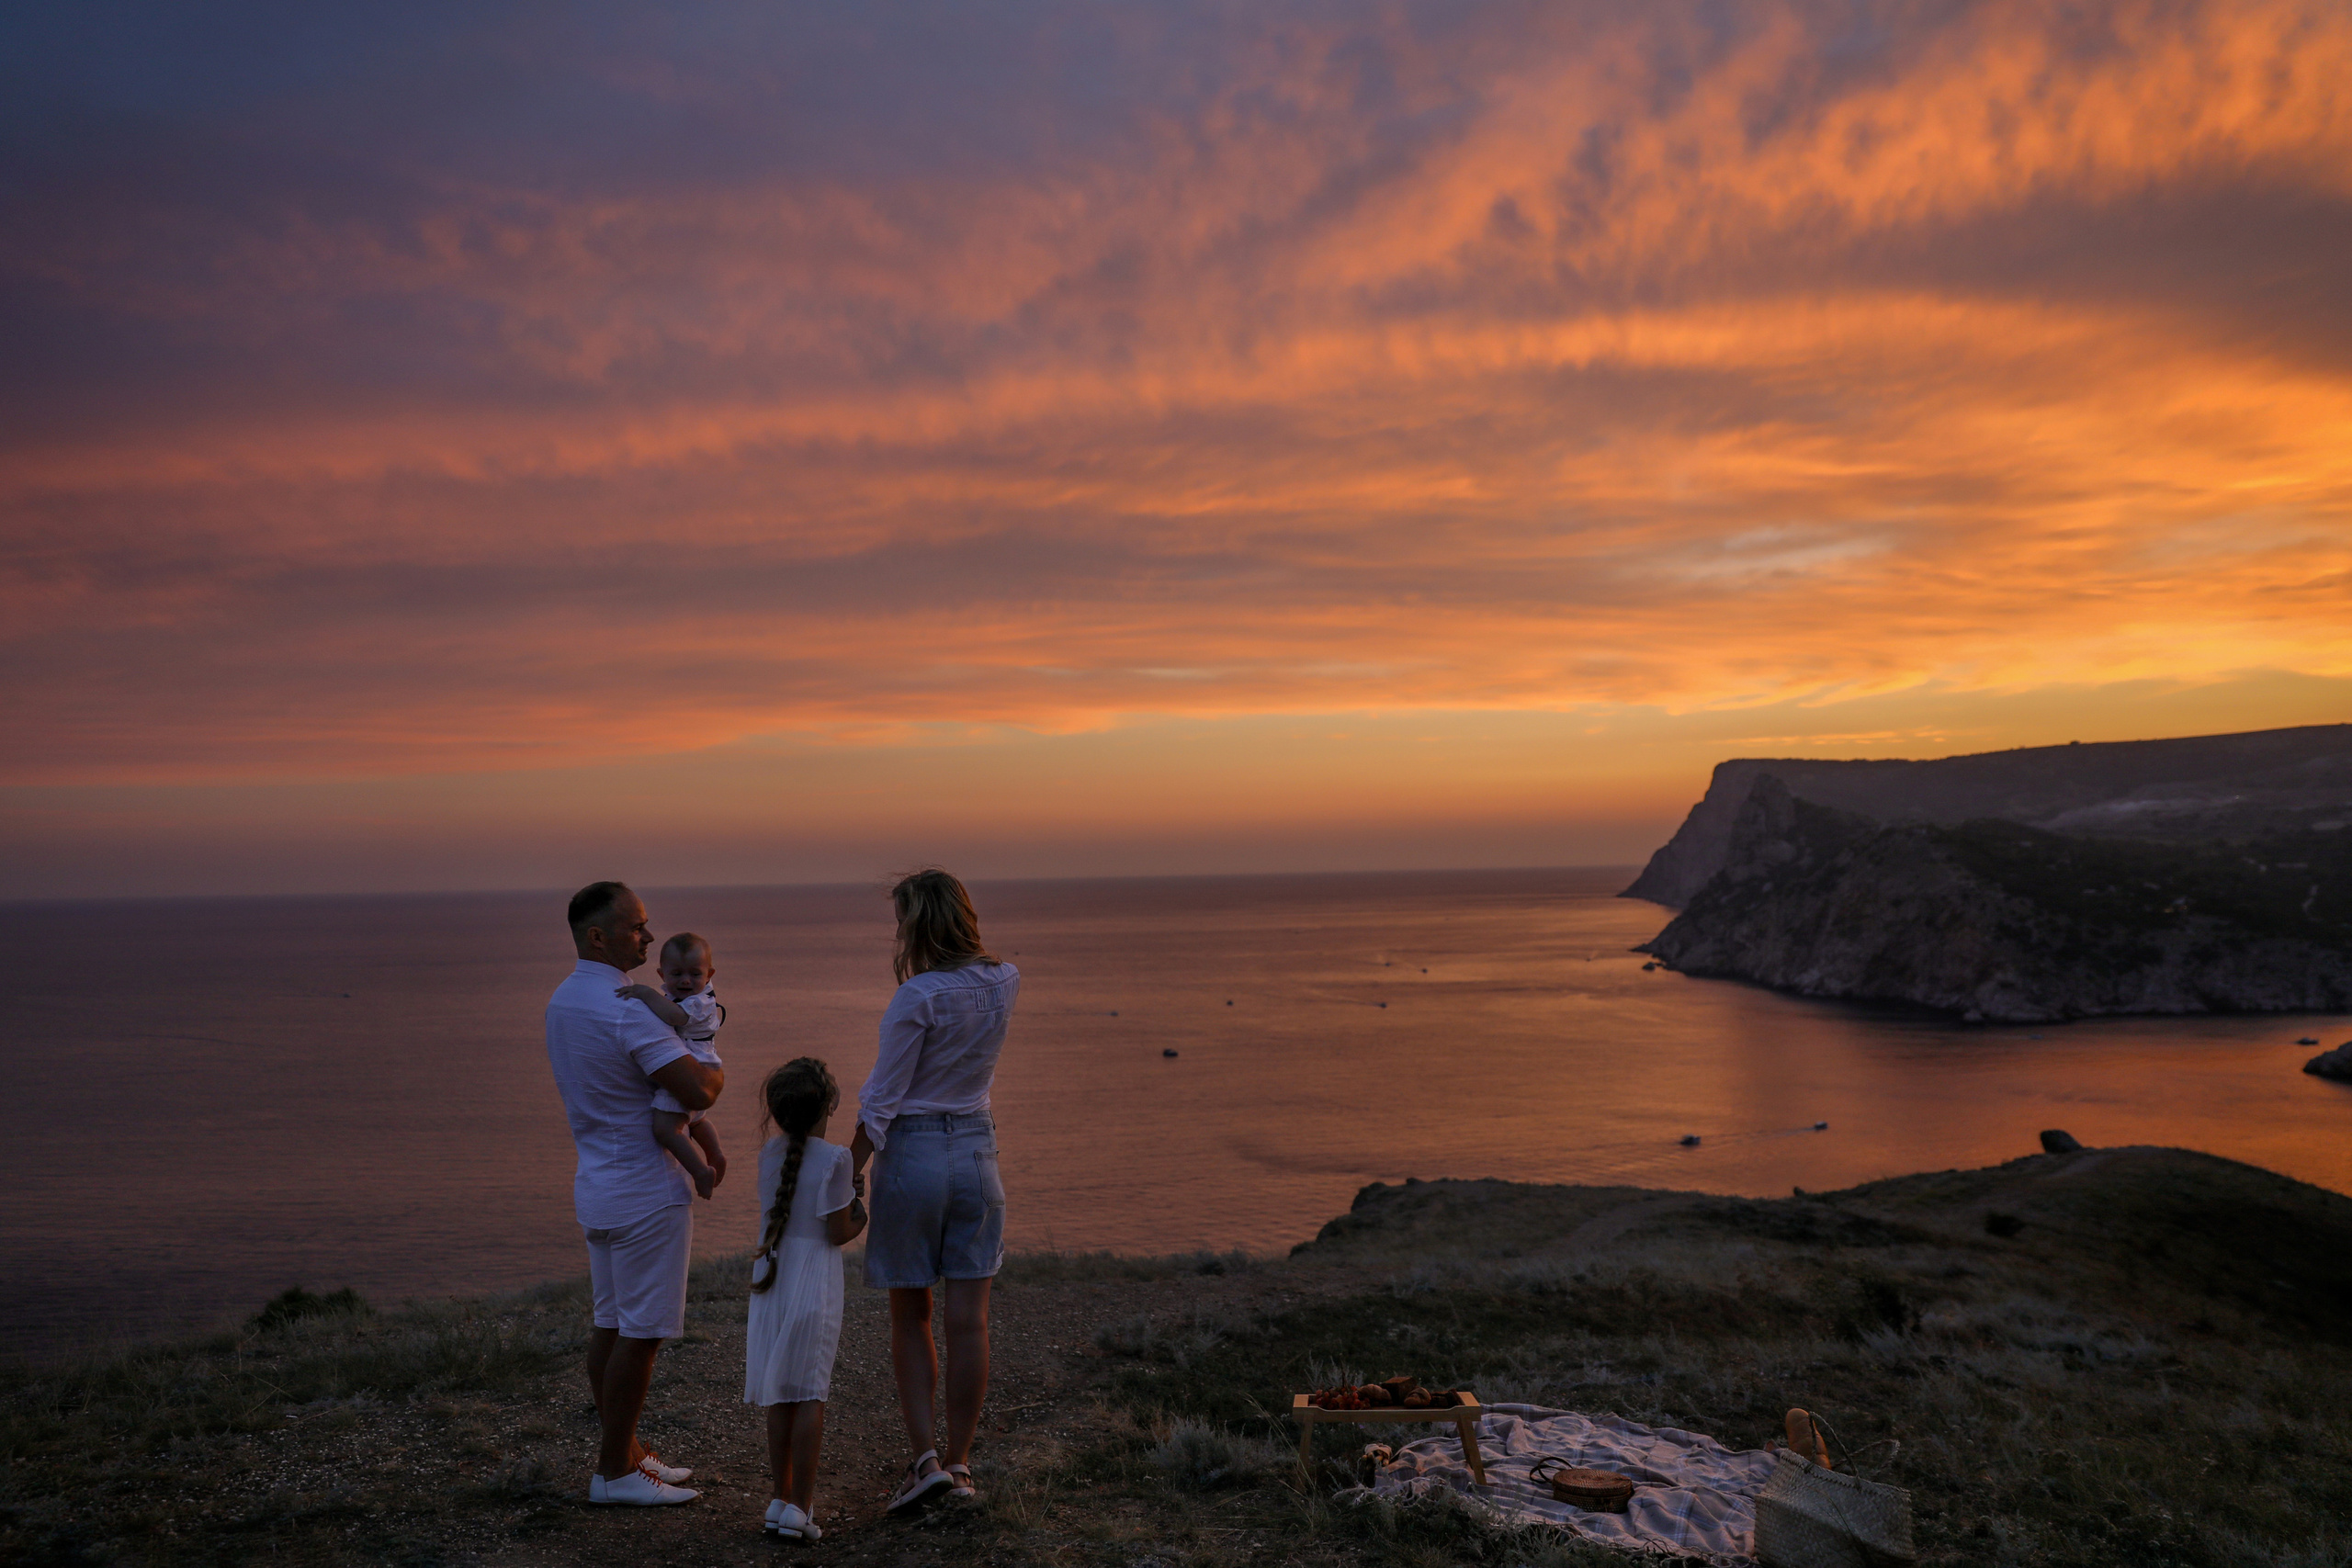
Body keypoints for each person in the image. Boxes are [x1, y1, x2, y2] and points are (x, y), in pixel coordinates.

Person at [545, 880, 724, 1506]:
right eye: (638, 928)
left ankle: (628, 1452)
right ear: (599, 936)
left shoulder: (563, 1001)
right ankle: (614, 1473)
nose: (649, 938)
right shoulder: (625, 1007)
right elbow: (698, 1089)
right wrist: (717, 1064)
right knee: (640, 1334)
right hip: (647, 1191)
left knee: (610, 1324)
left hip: (596, 1183)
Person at [851, 869, 1020, 1513]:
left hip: (915, 1153)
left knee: (911, 1313)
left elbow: (883, 1099)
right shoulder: (1005, 981)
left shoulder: (916, 995)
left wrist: (848, 1169)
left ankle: (924, 1461)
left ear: (917, 924)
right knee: (969, 1319)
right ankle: (961, 1462)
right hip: (977, 1152)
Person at [742, 1057, 868, 1540]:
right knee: (810, 1390)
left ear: (776, 1112)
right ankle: (802, 1509)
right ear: (827, 1108)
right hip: (813, 1277)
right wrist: (860, 1207)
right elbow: (838, 1232)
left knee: (781, 1391)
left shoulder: (769, 1155)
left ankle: (780, 1498)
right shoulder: (837, 1158)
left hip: (773, 1276)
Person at [617, 931, 729, 1199]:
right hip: (701, 1063)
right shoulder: (688, 996)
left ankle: (701, 1171)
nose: (686, 980)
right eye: (677, 974)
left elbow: (674, 1017)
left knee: (666, 1129)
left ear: (709, 974)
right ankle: (716, 1154)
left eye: (695, 973)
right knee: (697, 1122)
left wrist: (645, 993)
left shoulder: (699, 1002)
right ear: (662, 974)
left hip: (692, 1067)